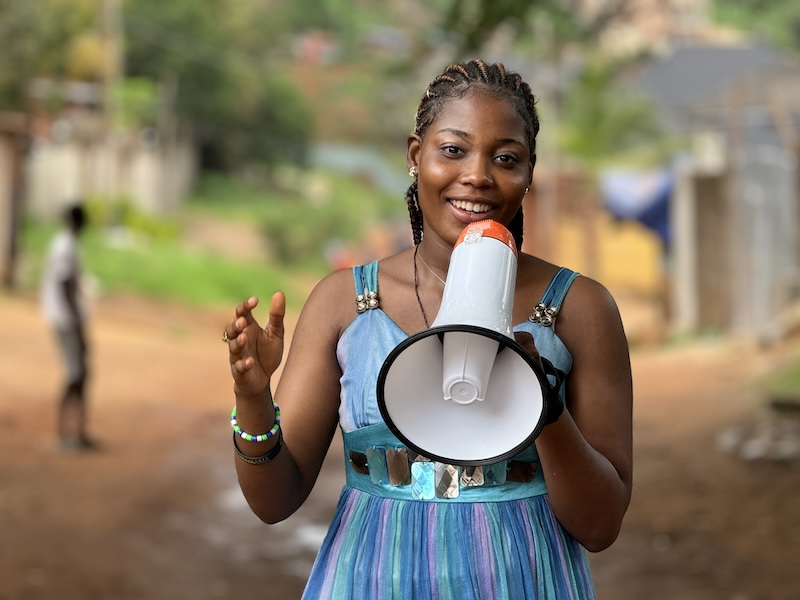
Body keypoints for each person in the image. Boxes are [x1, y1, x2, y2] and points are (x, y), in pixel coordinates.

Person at [223, 59, 633, 599]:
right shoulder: (343, 302)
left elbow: (601, 527)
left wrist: (545, 407)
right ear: (416, 156)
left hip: (523, 581)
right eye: (454, 150)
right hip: (372, 581)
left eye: (506, 158)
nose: (478, 176)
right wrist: (253, 399)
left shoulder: (580, 308)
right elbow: (274, 502)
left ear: (530, 171)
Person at [41, 202, 96, 451]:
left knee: (81, 373)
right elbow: (63, 284)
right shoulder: (65, 246)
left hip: (66, 317)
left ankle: (77, 432)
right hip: (65, 319)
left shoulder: (64, 243)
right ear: (80, 221)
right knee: (75, 373)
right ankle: (65, 434)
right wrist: (76, 323)